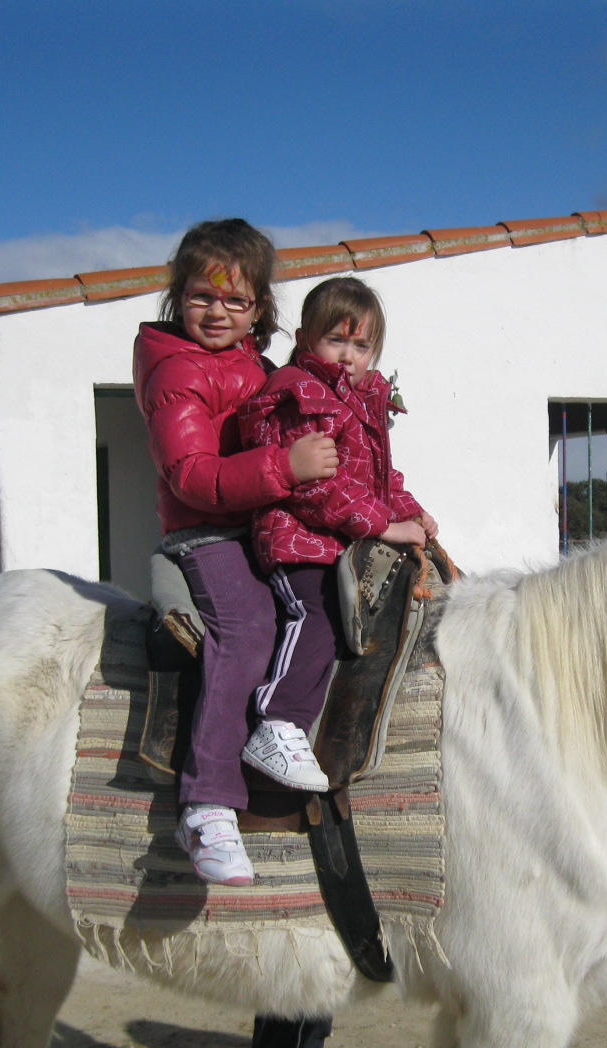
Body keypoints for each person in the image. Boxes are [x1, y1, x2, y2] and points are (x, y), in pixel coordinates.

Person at [133, 218, 340, 887]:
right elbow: (190, 477)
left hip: (260, 522)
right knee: (248, 628)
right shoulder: (176, 372)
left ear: (258, 308)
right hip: (206, 530)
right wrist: (286, 465)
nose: (216, 311)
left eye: (235, 300)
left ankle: (287, 728)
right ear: (178, 296)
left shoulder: (257, 367)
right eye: (201, 296)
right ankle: (207, 803)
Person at [236, 276, 437, 770]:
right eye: (336, 339)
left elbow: (379, 478)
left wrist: (409, 510)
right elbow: (314, 484)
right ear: (305, 339)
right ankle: (278, 722)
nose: (348, 355)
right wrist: (381, 526)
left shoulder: (360, 402)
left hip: (338, 539)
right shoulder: (301, 394)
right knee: (319, 611)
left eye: (361, 344)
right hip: (297, 539)